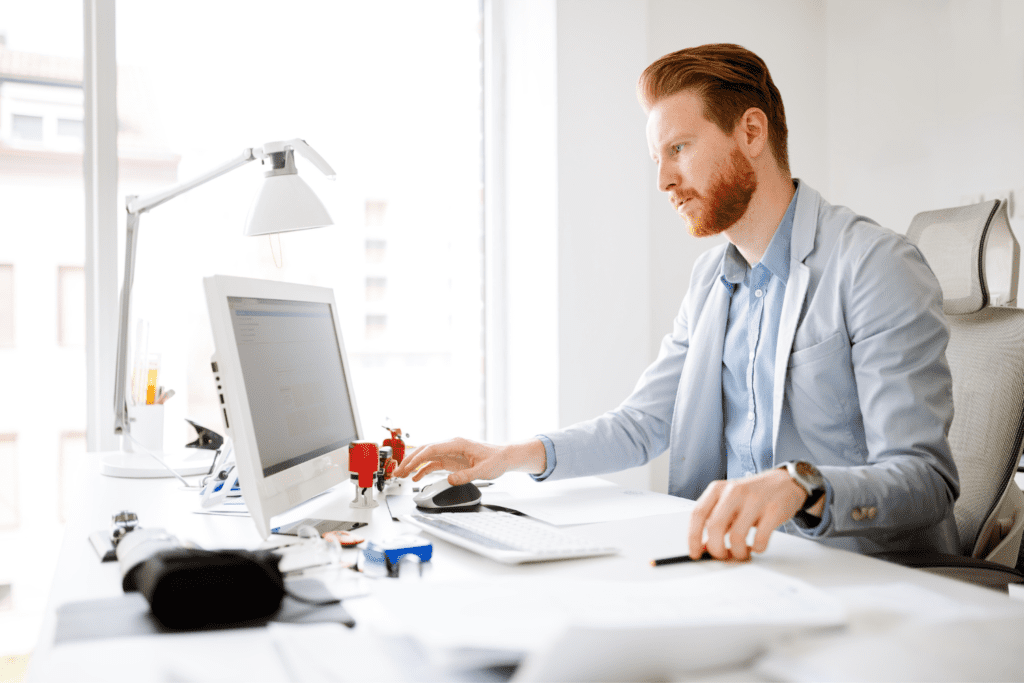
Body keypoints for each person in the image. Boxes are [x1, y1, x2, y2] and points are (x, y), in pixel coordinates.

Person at [394, 43, 959, 561]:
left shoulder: (874, 265)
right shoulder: (711, 279)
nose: (663, 179)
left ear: (752, 132)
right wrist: (513, 455)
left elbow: (925, 478)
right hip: (741, 568)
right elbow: (642, 423)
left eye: (679, 149)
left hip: (861, 576)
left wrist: (801, 484)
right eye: (656, 158)